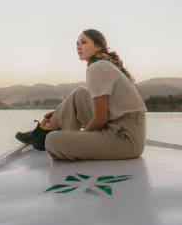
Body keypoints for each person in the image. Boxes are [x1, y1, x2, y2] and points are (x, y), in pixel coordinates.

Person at [15, 29, 147, 160]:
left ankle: (45, 134)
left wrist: (82, 136)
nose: (78, 46)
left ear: (98, 46)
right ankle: (43, 131)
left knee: (53, 140)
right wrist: (59, 114)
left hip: (125, 139)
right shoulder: (103, 65)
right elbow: (102, 114)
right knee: (79, 93)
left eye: (83, 42)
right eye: (77, 43)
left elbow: (101, 119)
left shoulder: (97, 67)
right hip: (120, 127)